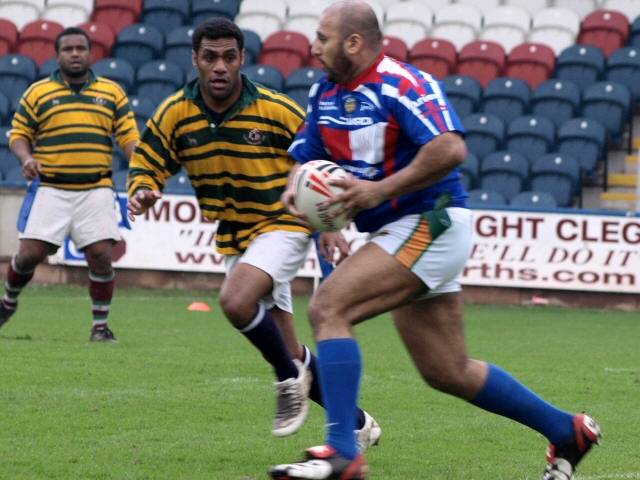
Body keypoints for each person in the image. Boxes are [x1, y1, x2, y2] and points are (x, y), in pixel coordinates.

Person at [270, 2, 601, 479]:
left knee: (329, 308)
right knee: (447, 370)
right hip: (398, 231)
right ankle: (567, 430)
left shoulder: (401, 83)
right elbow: (306, 155)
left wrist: (377, 191)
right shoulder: (324, 92)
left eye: (323, 37)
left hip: (434, 220)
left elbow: (450, 147)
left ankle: (343, 451)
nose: (313, 46)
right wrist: (296, 191)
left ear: (354, 43)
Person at [126, 17, 381, 447]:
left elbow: (321, 159)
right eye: (210, 57)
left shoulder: (276, 108)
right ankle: (355, 422)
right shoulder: (176, 113)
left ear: (242, 58)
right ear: (196, 60)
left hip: (283, 223)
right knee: (289, 345)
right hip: (234, 235)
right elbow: (148, 160)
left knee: (236, 301)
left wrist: (328, 222)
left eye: (229, 57)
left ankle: (287, 380)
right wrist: (142, 189)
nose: (220, 66)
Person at [0, 27, 139, 342]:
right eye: (68, 49)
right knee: (28, 255)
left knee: (102, 253)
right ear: (57, 54)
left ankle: (100, 328)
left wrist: (139, 163)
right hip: (52, 187)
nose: (75, 53)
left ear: (91, 53)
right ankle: (7, 303)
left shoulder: (112, 92)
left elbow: (129, 136)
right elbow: (19, 135)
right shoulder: (38, 92)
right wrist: (26, 159)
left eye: (81, 48)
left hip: (96, 187)